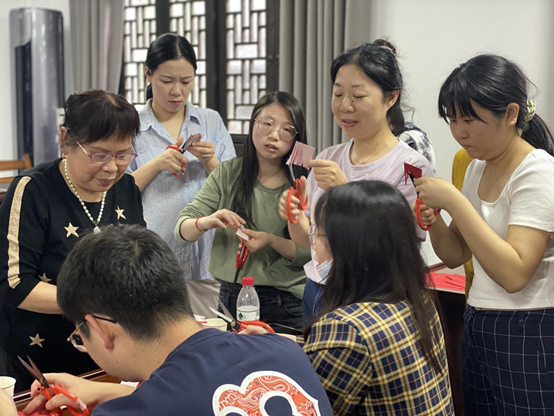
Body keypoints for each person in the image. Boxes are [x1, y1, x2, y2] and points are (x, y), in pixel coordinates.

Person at [16, 225, 334, 416]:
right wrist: (103, 392)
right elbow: (202, 398)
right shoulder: (284, 352)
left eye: (79, 336)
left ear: (102, 329)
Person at [415, 54, 554, 414]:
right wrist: (436, 221)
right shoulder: (477, 167)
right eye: (452, 119)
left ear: (510, 114)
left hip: (529, 324)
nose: (459, 132)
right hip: (478, 317)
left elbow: (514, 274)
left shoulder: (537, 172)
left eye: (469, 119)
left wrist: (454, 201)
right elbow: (455, 254)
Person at [246, 181, 453, 415]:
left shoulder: (347, 329)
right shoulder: (417, 300)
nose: (314, 245)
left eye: (318, 233)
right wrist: (278, 342)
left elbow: (307, 406)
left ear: (350, 249)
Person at [0, 90, 146, 392]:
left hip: (113, 356)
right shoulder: (33, 190)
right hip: (40, 358)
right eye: (99, 155)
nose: (112, 168)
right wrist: (95, 305)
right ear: (66, 140)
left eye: (123, 155)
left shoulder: (127, 188)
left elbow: (140, 263)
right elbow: (14, 284)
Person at [279, 40, 434, 323]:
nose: (345, 106)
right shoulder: (328, 157)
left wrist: (344, 191)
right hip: (317, 289)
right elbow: (308, 242)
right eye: (338, 94)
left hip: (372, 297)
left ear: (391, 98)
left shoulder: (411, 167)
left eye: (358, 96)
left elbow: (401, 250)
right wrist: (294, 216)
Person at [174, 91, 310, 333]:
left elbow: (310, 253)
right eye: (267, 123)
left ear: (296, 137)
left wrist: (271, 240)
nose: (274, 135)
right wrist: (208, 221)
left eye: (287, 129)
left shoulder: (302, 182)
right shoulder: (227, 173)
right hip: (232, 298)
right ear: (253, 123)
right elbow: (182, 229)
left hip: (287, 303)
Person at [127, 33, 236, 318]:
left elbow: (234, 189)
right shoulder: (131, 126)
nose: (177, 91)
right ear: (148, 74)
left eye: (186, 81)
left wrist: (210, 160)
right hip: (155, 256)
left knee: (212, 334)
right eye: (167, 81)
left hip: (210, 256)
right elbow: (117, 192)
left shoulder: (210, 120)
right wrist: (155, 165)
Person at [451, 148, 474, 297]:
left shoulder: (535, 167)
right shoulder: (466, 158)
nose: (461, 136)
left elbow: (514, 279)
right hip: (475, 294)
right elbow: (453, 257)